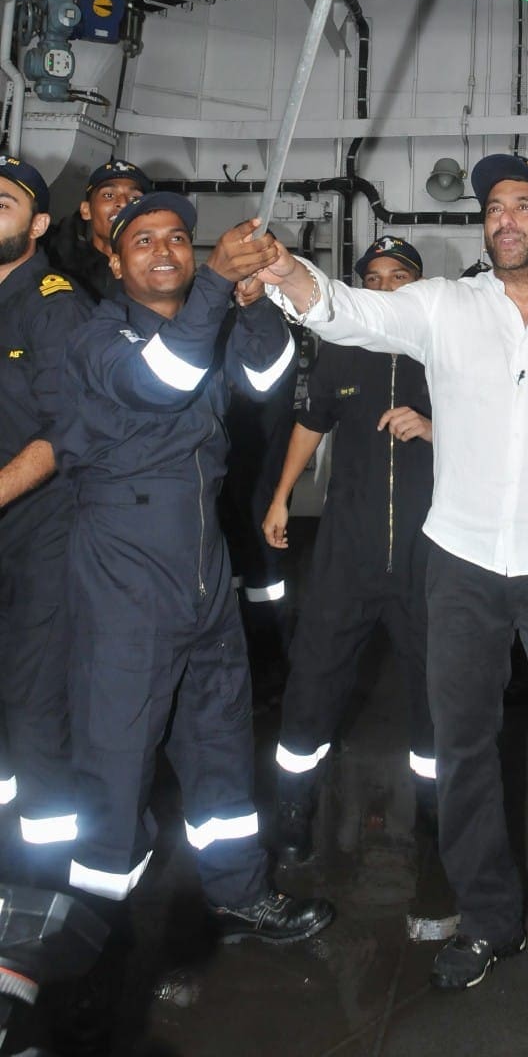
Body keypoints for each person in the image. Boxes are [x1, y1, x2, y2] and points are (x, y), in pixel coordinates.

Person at [259, 153, 528, 995]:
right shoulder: (442, 306)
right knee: (463, 747)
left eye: (524, 206)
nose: (505, 218)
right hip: (460, 564)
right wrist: (282, 271)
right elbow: (341, 310)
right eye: (493, 207)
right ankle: (489, 919)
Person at [53, 191, 334, 944]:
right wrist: (214, 283)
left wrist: (254, 300)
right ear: (113, 260)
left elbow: (272, 377)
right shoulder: (96, 335)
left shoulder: (206, 323)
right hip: (125, 570)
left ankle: (237, 888)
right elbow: (159, 384)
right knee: (116, 759)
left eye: (178, 237)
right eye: (142, 241)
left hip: (203, 570)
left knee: (218, 742)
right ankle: (85, 936)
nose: (165, 251)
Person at [266, 236, 436, 865]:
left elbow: (497, 427)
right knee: (314, 678)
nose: (386, 285)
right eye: (375, 277)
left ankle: (438, 812)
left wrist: (433, 428)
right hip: (347, 551)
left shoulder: (444, 349)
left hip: (429, 553)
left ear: (419, 285)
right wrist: (282, 495)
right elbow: (310, 422)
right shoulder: (341, 348)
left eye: (400, 275)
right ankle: (293, 807)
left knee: (436, 688)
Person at [0, 154, 91, 884]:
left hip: (43, 529)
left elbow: (68, 429)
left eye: (3, 201)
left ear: (36, 225)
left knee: (34, 704)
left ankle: (46, 877)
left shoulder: (54, 302)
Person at [43, 159, 150, 302]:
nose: (124, 203)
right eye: (109, 195)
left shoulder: (160, 270)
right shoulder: (62, 271)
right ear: (86, 210)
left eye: (135, 198)